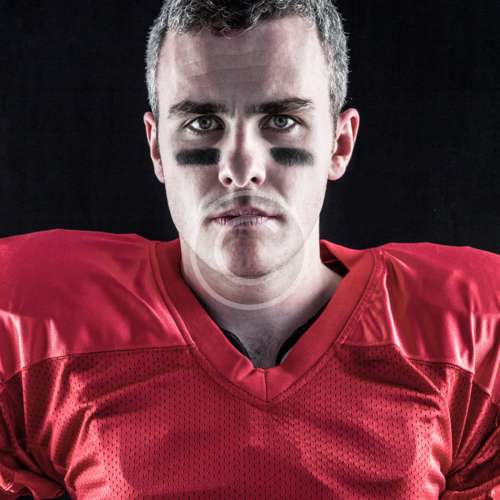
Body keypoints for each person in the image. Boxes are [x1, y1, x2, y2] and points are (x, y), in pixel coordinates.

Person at [0, 1, 498, 498]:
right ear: (156, 147)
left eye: (281, 119)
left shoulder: (468, 339)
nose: (240, 169)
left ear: (339, 143)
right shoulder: (37, 330)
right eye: (202, 123)